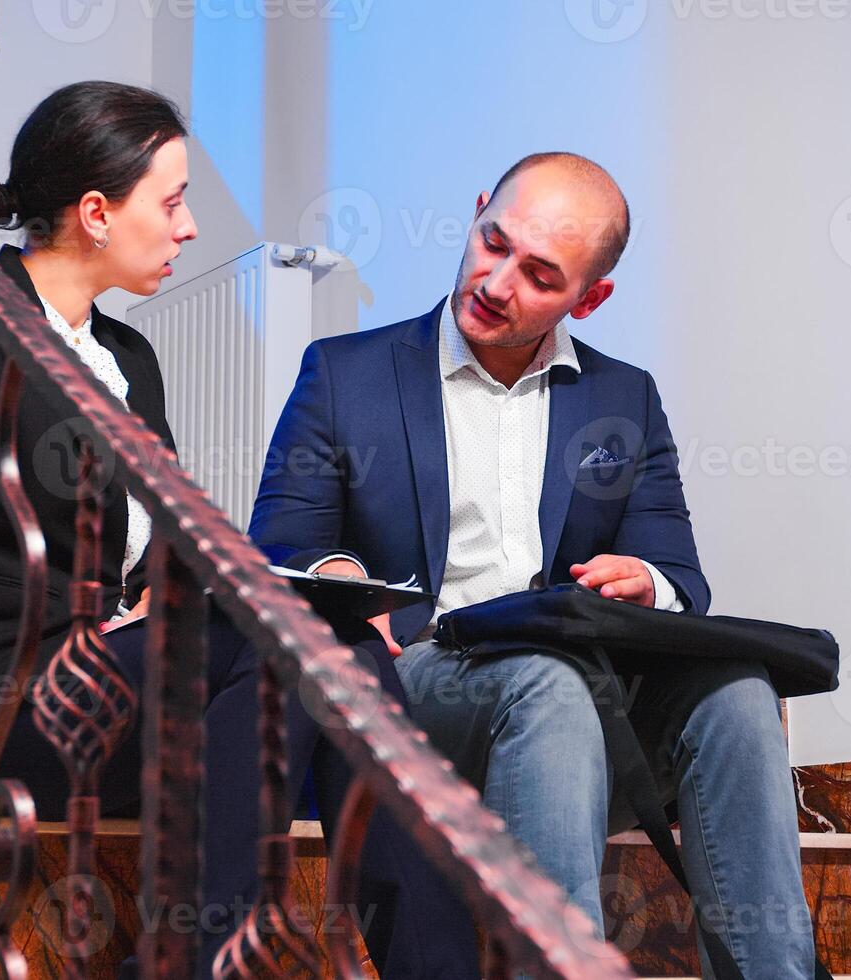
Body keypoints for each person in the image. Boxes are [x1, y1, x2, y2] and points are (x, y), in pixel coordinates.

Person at [0, 81, 473, 978]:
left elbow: (165, 551)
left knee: (342, 651)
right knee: (307, 651)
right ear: (94, 212)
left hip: (125, 704)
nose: (189, 226)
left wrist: (195, 591)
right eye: (171, 202)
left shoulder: (130, 359)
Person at [249, 152, 820, 977]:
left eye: (540, 274)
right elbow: (277, 550)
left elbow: (680, 576)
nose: (496, 280)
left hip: (580, 713)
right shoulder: (346, 375)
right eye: (493, 241)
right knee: (543, 683)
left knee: (738, 691)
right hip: (415, 687)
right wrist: (342, 580)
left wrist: (646, 583)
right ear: (479, 209)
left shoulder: (625, 398)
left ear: (589, 298)